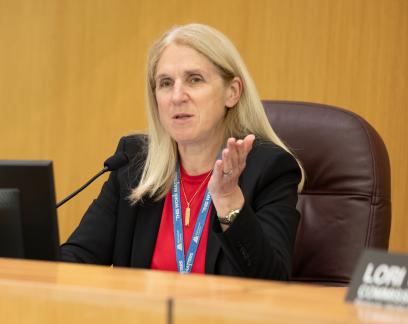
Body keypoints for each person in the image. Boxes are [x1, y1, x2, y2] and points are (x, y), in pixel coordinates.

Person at [60, 23, 303, 281]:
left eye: (194, 79)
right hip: (140, 321)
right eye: (165, 83)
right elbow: (75, 260)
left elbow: (272, 283)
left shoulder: (268, 170)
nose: (177, 96)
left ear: (232, 92)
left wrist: (229, 201)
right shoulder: (135, 165)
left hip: (221, 321)